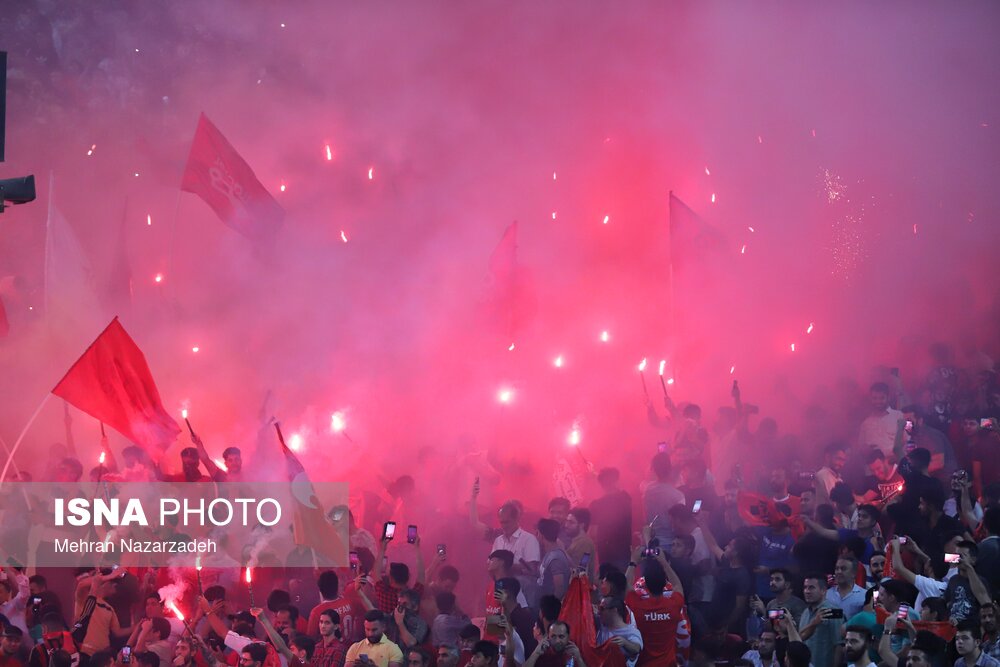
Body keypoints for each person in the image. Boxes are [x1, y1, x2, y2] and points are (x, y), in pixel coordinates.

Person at [625, 558, 690, 667]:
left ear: (645, 586)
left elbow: (625, 585)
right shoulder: (673, 605)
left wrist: (633, 561)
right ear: (665, 582)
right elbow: (677, 585)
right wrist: (664, 562)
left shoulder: (637, 606)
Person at [590, 468, 633, 572]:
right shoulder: (626, 498)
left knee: (606, 585)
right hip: (623, 551)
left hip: (605, 553)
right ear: (616, 481)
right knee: (622, 584)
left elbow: (593, 533)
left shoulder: (596, 505)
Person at [795, 574, 843, 667]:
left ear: (823, 590)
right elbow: (799, 638)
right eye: (805, 587)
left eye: (811, 588)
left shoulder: (832, 611)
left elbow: (839, 646)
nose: (807, 591)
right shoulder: (805, 612)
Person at [644, 453, 685, 546]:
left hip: (651, 541)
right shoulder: (678, 496)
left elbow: (645, 517)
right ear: (671, 470)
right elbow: (680, 524)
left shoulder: (648, 490)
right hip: (670, 543)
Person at [858, 382, 904, 458]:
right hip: (873, 467)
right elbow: (861, 447)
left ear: (888, 397)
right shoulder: (865, 423)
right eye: (875, 398)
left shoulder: (899, 416)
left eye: (882, 398)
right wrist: (865, 450)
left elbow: (908, 439)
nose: (878, 401)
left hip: (895, 464)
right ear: (870, 399)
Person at [308, 572, 357, 641]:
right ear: (337, 586)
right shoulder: (349, 603)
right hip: (351, 648)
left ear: (320, 590)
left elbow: (311, 639)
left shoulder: (317, 612)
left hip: (331, 651)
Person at [595, 597, 642, 667]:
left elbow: (637, 648)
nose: (599, 612)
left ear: (614, 610)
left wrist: (625, 642)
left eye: (602, 608)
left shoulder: (631, 632)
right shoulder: (601, 626)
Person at [535, 520, 571, 601]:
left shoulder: (556, 558)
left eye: (537, 533)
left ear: (541, 535)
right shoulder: (550, 554)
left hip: (552, 608)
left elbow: (559, 589)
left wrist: (551, 607)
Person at [562, 509, 597, 583]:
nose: (566, 525)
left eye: (571, 522)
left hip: (578, 591)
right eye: (566, 521)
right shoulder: (577, 541)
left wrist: (561, 550)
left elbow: (580, 570)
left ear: (581, 525)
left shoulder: (585, 543)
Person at [814, 443, 847, 507]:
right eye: (838, 459)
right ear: (828, 457)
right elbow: (834, 503)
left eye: (843, 461)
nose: (841, 464)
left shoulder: (838, 478)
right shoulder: (823, 475)